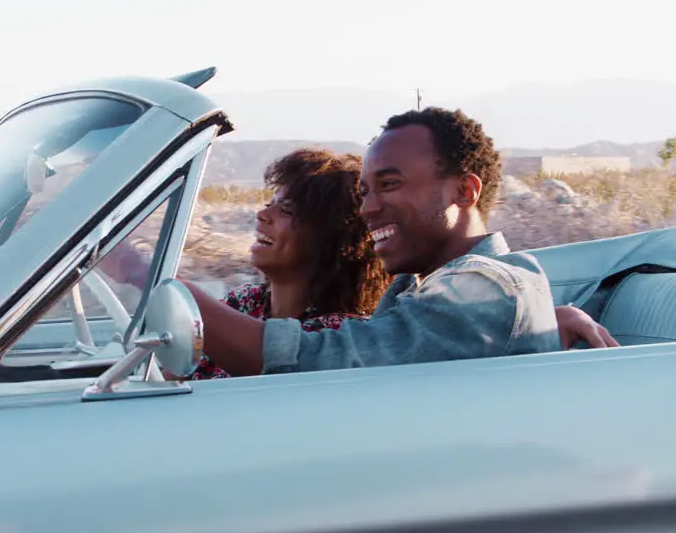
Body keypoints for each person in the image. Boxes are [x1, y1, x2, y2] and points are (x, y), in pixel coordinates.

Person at [182, 107, 613, 377]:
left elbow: (316, 366)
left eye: (390, 184)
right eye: (365, 191)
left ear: (464, 191)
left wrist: (166, 290)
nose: (368, 208)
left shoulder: (485, 286)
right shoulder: (434, 289)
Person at [186, 147, 389, 379]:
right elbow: (172, 377)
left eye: (286, 209)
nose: (262, 214)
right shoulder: (244, 303)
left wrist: (171, 290)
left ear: (332, 237)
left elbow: (269, 363)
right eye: (270, 203)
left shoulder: (338, 337)